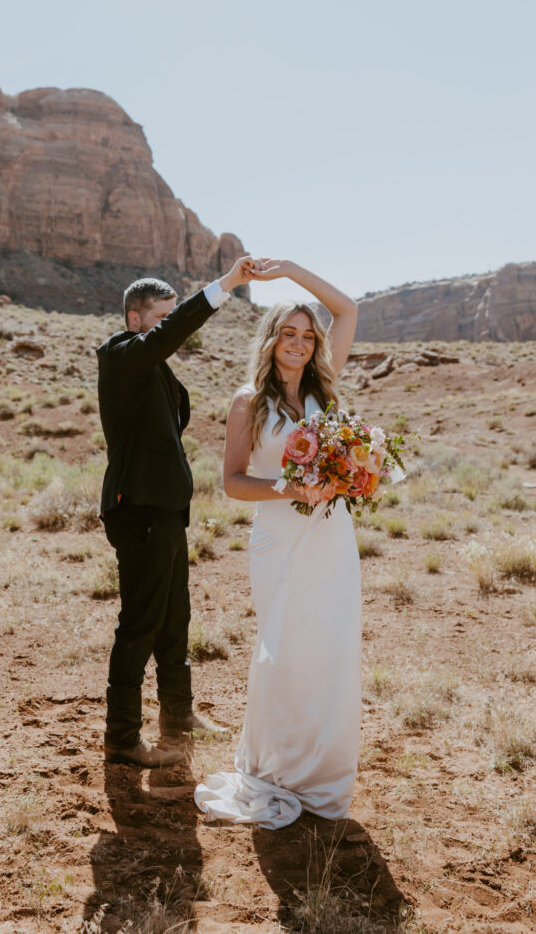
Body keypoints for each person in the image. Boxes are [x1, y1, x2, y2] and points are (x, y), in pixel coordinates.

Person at [194, 258, 360, 828]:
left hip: (331, 537)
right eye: (288, 333)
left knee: (329, 648)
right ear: (271, 340)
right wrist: (288, 486)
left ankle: (322, 768)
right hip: (278, 536)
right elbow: (233, 482)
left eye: (307, 336)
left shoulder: (323, 387)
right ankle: (281, 764)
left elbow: (348, 309)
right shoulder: (250, 401)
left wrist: (290, 271)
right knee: (284, 648)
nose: (299, 343)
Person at [97, 256, 260, 768]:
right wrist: (225, 286)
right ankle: (122, 739)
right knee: (140, 623)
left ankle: (178, 714)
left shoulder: (153, 368)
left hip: (165, 508)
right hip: (138, 509)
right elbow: (170, 335)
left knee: (175, 619)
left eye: (171, 317)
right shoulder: (121, 355)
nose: (169, 326)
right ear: (135, 319)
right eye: (161, 317)